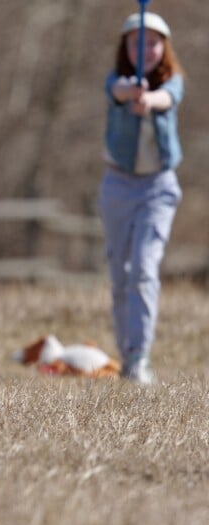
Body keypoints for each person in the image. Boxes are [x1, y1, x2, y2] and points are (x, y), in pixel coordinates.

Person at [99, 12, 185, 384]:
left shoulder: (173, 82)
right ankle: (126, 351)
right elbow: (116, 92)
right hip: (118, 186)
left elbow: (168, 97)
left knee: (145, 270)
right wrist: (131, 93)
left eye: (152, 42)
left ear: (163, 47)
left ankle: (139, 357)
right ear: (125, 47)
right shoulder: (116, 82)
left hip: (158, 188)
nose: (145, 49)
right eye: (137, 42)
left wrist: (148, 100)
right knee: (121, 274)